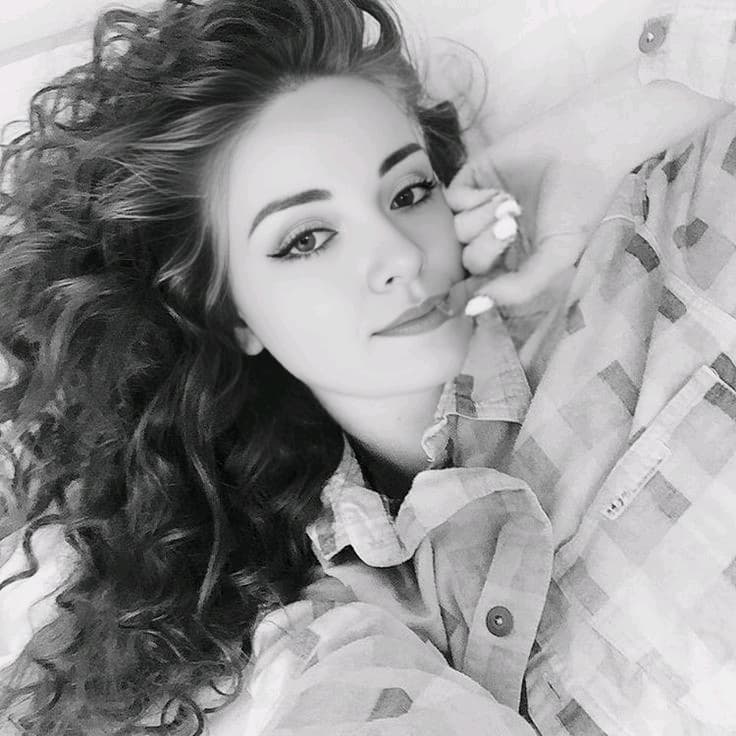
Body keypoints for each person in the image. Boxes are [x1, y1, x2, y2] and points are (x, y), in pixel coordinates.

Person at [0, 1, 735, 735]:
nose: (400, 255)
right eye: (307, 238)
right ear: (230, 316)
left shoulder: (664, 241)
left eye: (409, 193)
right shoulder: (323, 634)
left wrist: (584, 138)